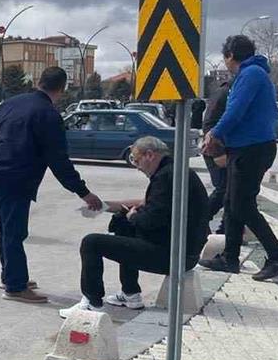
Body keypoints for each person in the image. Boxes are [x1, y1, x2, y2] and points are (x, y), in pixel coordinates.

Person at [0, 66, 102, 303]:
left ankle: (11, 275)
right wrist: (84, 192)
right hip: (14, 177)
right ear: (62, 88)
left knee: (6, 228)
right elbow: (58, 161)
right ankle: (15, 287)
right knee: (14, 231)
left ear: (39, 82)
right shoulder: (48, 114)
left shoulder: (11, 103)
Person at [60, 136, 209, 317]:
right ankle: (130, 293)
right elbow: (146, 203)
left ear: (149, 155)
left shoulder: (165, 178)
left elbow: (149, 221)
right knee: (124, 225)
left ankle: (92, 302)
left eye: (137, 161)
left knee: (91, 243)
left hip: (174, 257)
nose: (137, 167)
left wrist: (133, 216)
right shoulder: (175, 171)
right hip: (183, 252)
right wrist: (105, 206)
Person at [199, 35, 278, 281]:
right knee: (231, 202)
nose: (225, 63)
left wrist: (215, 133)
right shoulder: (253, 74)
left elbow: (235, 111)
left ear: (230, 56)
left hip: (252, 148)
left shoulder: (251, 75)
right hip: (245, 148)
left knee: (242, 205)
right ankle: (230, 258)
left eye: (225, 58)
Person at [200, 78, 229, 233]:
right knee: (224, 189)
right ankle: (199, 221)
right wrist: (218, 152)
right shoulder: (224, 93)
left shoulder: (233, 92)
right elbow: (209, 124)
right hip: (216, 150)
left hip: (228, 150)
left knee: (233, 191)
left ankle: (226, 228)